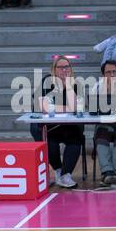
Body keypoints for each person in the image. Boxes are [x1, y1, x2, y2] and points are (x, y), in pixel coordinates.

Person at [29, 56, 83, 188]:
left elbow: (76, 108)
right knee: (48, 141)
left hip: (68, 126)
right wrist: (66, 108)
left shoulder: (75, 84)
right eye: (61, 67)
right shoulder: (46, 81)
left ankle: (66, 175)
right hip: (50, 126)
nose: (64, 69)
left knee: (76, 138)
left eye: (67, 67)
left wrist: (69, 86)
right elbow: (44, 107)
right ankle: (59, 171)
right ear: (54, 69)